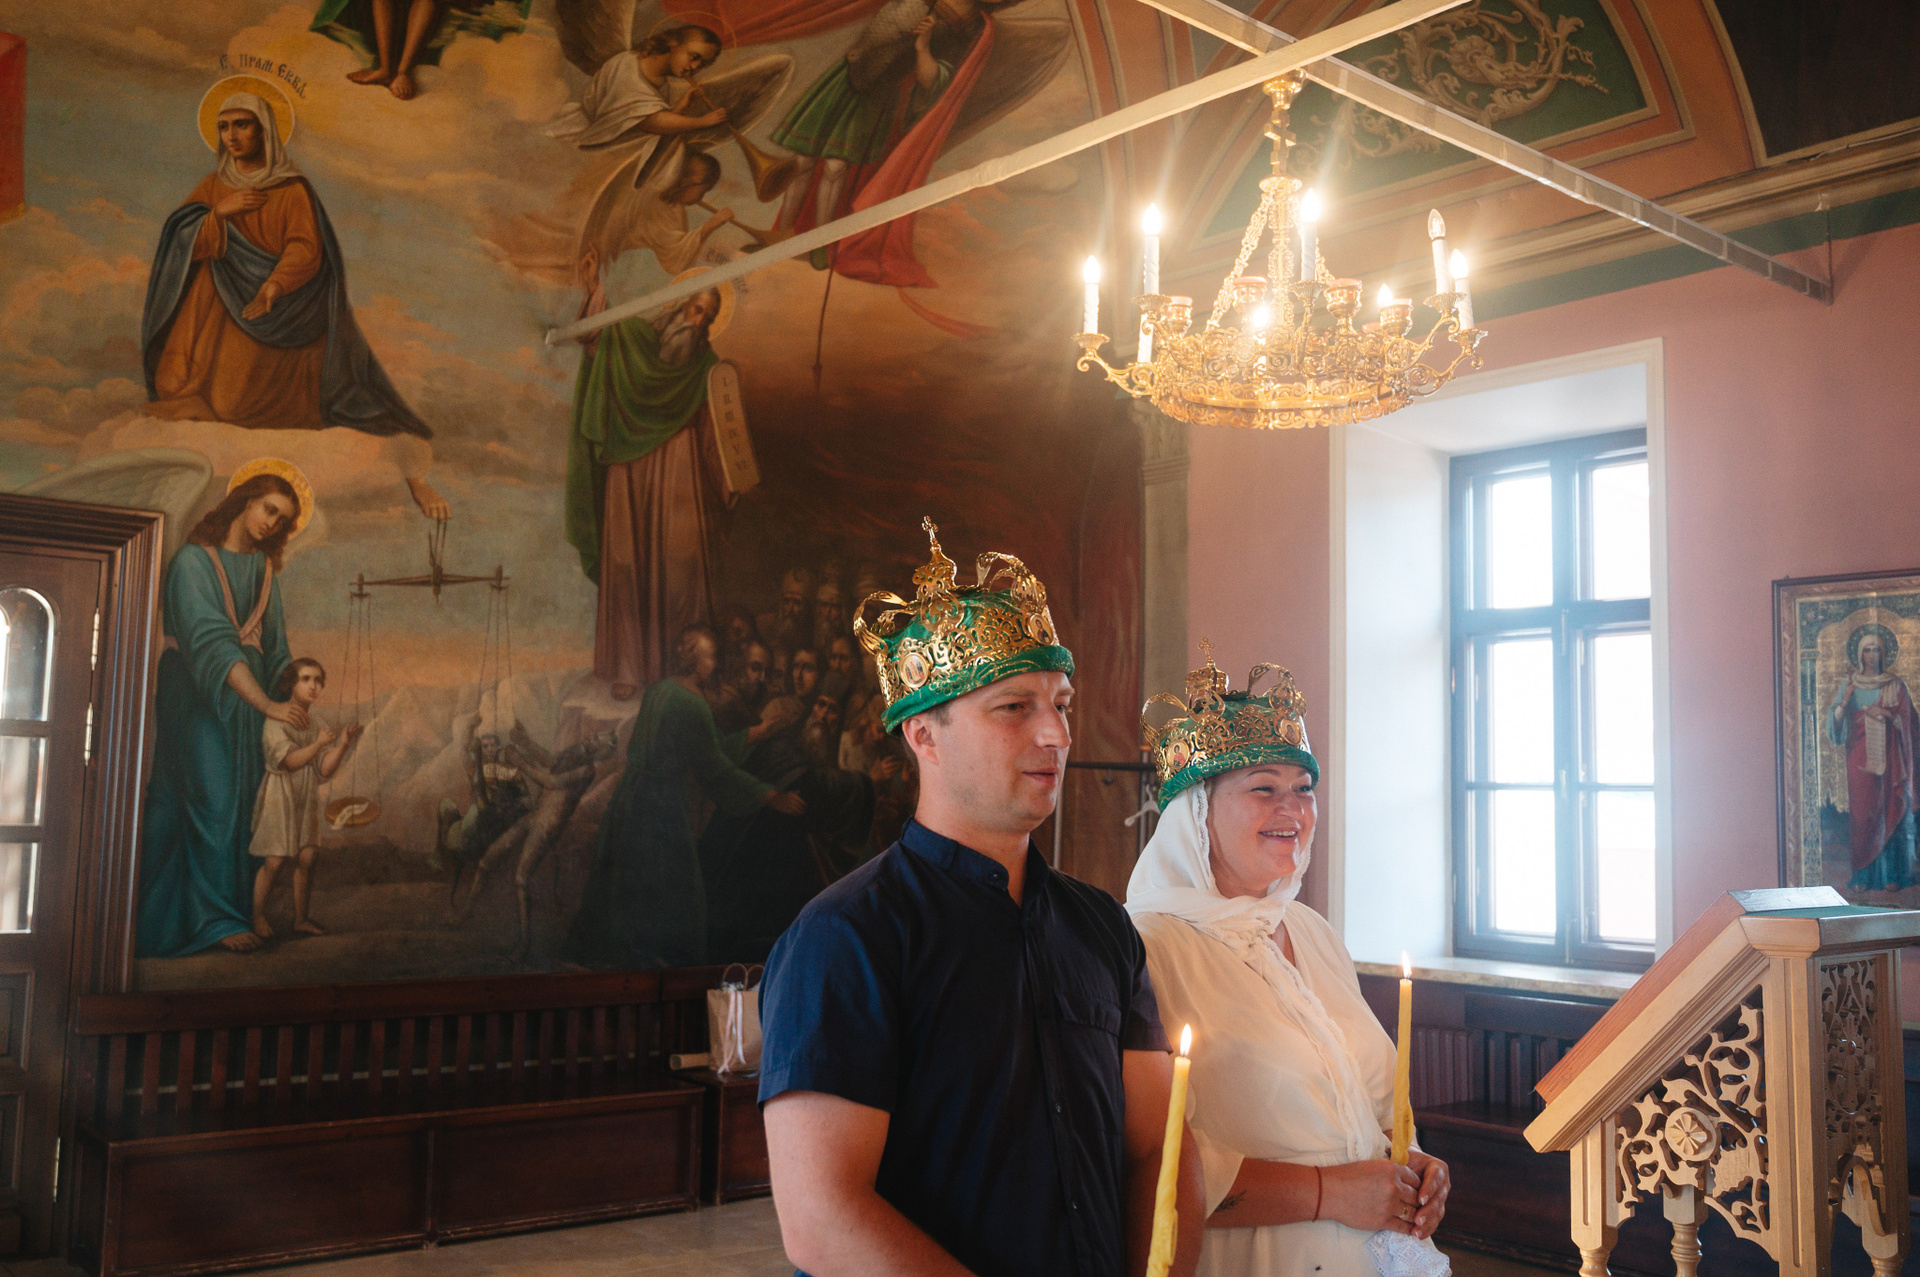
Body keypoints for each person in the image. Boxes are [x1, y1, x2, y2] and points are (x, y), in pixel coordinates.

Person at [759, 518, 1204, 1277]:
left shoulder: (1101, 928)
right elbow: (823, 1217)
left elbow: (1158, 1146)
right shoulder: (846, 936)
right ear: (924, 735)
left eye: (1061, 703)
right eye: (1014, 707)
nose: (1056, 734)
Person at [1126, 648, 1452, 1277]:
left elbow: (1373, 1101)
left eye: (1304, 789)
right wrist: (1329, 1193)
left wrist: (1414, 1165)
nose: (1293, 810)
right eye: (1264, 789)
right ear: (1197, 811)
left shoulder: (1311, 931)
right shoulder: (1147, 945)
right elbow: (1150, 1160)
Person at [141, 93, 440, 515]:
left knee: (236, 406)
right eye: (224, 127)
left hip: (282, 317)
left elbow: (306, 248)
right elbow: (181, 242)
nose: (231, 136)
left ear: (264, 130)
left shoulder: (291, 188)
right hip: (218, 309)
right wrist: (219, 214)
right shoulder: (212, 187)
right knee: (183, 386)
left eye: (242, 125)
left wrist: (274, 286)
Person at [136, 462, 308, 957]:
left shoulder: (264, 571)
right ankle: (211, 919)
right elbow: (212, 646)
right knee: (211, 799)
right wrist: (268, 704)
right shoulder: (192, 562)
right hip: (196, 694)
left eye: (282, 520)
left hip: (248, 704)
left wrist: (292, 702)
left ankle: (221, 912)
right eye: (268, 510)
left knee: (242, 803)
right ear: (244, 501)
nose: (272, 524)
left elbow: (276, 649)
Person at [561, 623, 804, 968]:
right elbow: (714, 766)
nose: (715, 665)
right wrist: (769, 796)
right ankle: (667, 967)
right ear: (693, 660)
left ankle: (618, 961)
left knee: (621, 883)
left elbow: (707, 748)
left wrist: (758, 732)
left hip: (630, 797)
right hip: (661, 805)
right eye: (711, 657)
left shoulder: (660, 690)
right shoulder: (692, 703)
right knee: (677, 889)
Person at [564, 261, 727, 700]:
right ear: (678, 304)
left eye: (708, 317)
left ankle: (683, 671)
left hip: (678, 470)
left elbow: (715, 432)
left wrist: (727, 480)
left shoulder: (706, 366)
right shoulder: (633, 338)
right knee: (625, 564)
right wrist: (594, 289)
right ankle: (629, 668)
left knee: (681, 566)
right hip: (628, 470)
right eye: (696, 309)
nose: (698, 322)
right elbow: (595, 341)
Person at [248, 657, 363, 939]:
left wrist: (342, 746)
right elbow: (289, 762)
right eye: (306, 679)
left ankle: (300, 920)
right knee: (275, 860)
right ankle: (257, 916)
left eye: (318, 680)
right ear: (291, 683)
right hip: (280, 796)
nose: (314, 686)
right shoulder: (277, 719)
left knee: (307, 857)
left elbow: (323, 768)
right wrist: (319, 743)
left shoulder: (316, 722)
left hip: (306, 795)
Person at [1827, 626, 1920, 890]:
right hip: (1859, 761)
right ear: (1859, 655)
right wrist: (1844, 702)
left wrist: (1889, 716)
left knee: (1890, 810)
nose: (1871, 655)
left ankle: (1892, 876)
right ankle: (1862, 876)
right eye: (1867, 650)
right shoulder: (1850, 684)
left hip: (1891, 761)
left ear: (1884, 653)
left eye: (1876, 649)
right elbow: (1835, 722)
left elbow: (1912, 723)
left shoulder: (1895, 684)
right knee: (1862, 816)